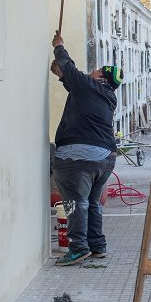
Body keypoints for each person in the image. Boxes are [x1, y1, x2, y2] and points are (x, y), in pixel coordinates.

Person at [50, 31, 123, 266]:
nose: (93, 70)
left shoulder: (90, 85)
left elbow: (71, 71)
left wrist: (59, 47)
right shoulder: (107, 96)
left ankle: (78, 247)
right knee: (91, 202)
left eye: (97, 69)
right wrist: (62, 76)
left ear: (101, 76)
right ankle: (97, 245)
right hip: (105, 158)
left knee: (75, 202)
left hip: (77, 157)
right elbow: (75, 85)